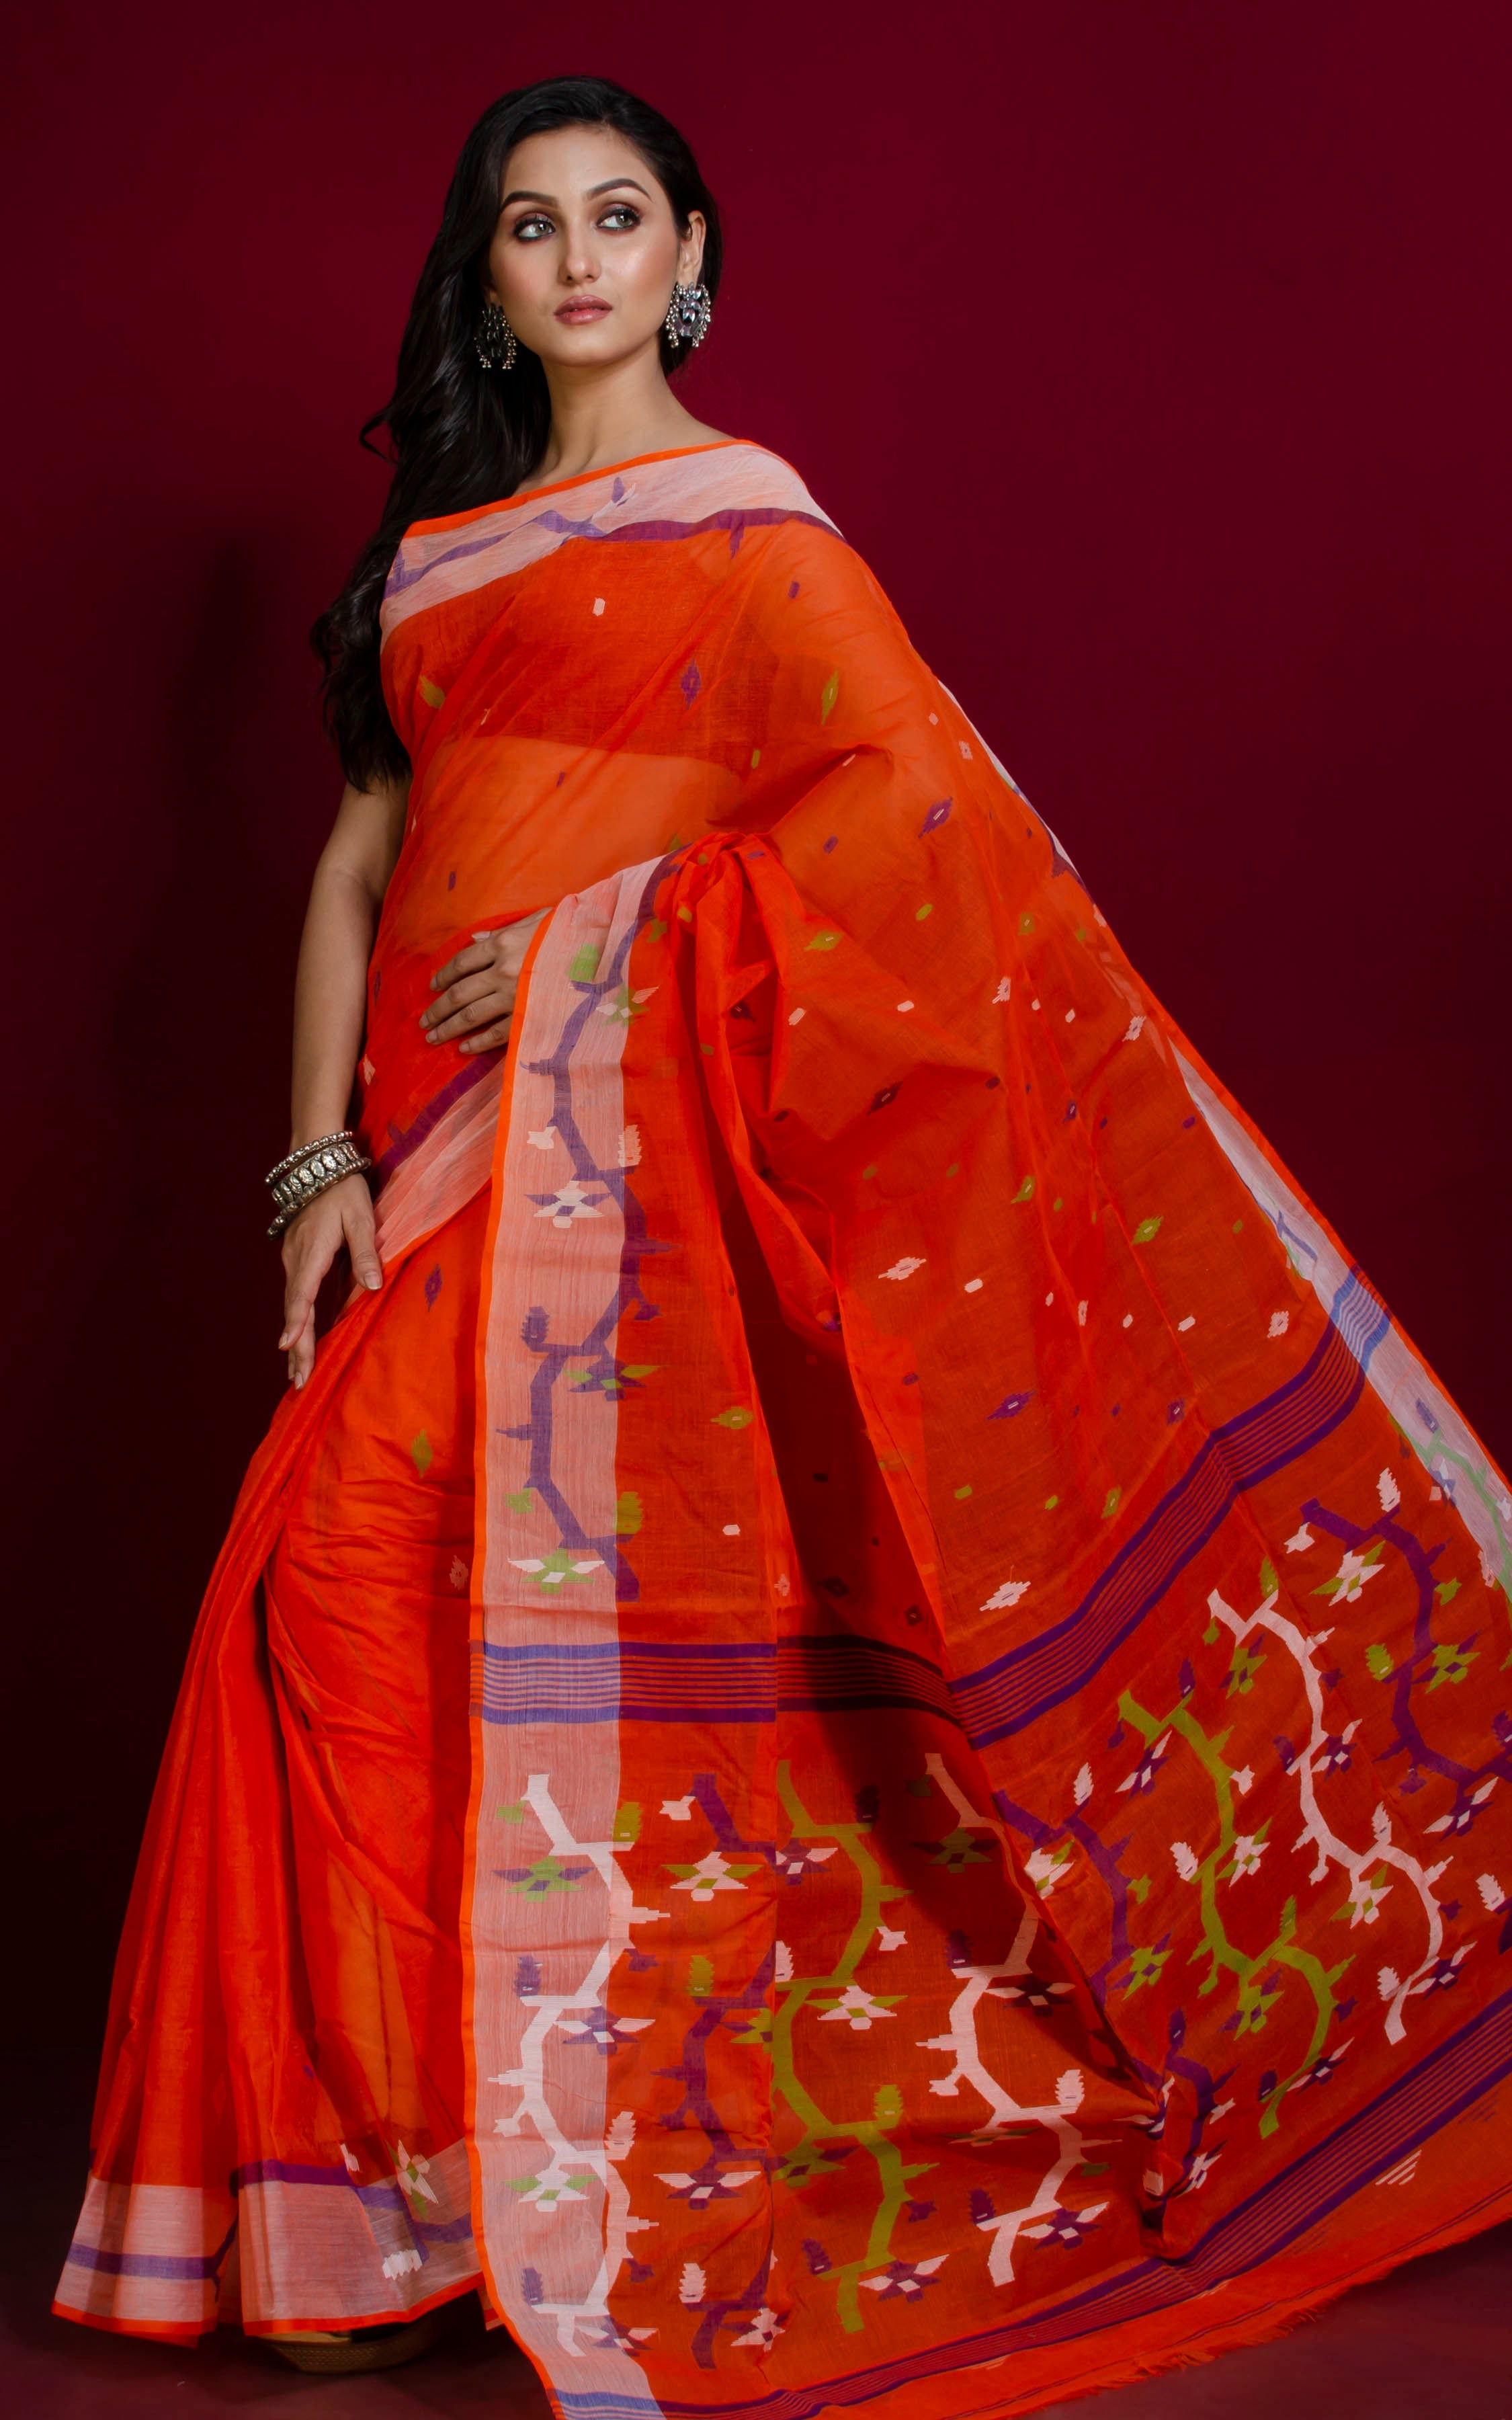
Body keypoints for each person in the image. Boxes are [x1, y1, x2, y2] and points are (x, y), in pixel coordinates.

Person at [56, 72, 1512, 2413]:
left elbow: (916, 826)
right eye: (532, 226)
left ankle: (535, 2167)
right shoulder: (435, 553)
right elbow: (353, 865)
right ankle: (408, 2189)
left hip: (613, 1158)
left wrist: (611, 939)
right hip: (423, 1149)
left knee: (393, 1584)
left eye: (619, 216)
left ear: (693, 258)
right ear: (488, 281)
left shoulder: (752, 536)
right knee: (346, 1612)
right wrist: (311, 1169)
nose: (578, 259)